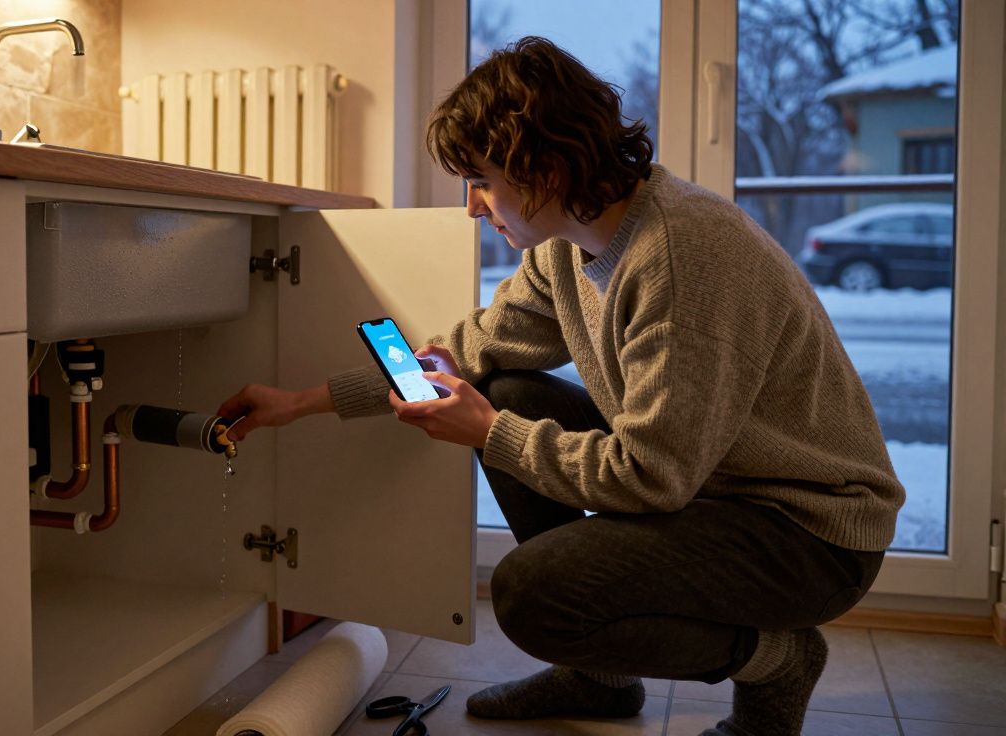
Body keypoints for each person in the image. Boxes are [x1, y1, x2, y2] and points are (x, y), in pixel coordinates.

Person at [217, 36, 903, 736]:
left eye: (482, 180)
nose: (474, 208)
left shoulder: (682, 257)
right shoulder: (567, 250)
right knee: (510, 388)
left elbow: (650, 477)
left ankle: (776, 661)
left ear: (543, 167)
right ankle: (601, 679)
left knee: (531, 596)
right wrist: (299, 404)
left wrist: (489, 433)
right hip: (711, 489)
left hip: (808, 533)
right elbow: (464, 354)